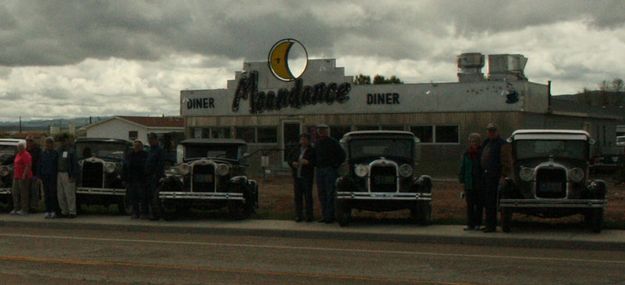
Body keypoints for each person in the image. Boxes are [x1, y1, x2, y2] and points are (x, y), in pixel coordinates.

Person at [480, 123, 512, 233]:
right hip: (486, 176)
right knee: (487, 201)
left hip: (495, 176)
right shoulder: (486, 143)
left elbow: (506, 162)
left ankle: (492, 226)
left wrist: (503, 176)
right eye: (489, 131)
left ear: (497, 131)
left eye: (493, 131)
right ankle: (488, 224)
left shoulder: (503, 144)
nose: (491, 133)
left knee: (493, 202)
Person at [312, 124, 346, 224]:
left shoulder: (333, 142)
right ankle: (324, 215)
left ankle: (330, 216)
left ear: (327, 131)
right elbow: (314, 156)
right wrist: (316, 164)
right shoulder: (317, 143)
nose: (321, 132)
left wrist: (334, 165)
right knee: (321, 193)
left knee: (330, 193)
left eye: (323, 130)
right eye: (319, 130)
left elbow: (342, 155)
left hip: (329, 170)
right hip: (319, 170)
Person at [459, 133, 483, 231]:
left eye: (475, 141)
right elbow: (463, 167)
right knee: (470, 205)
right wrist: (462, 179)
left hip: (479, 183)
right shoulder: (466, 154)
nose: (473, 143)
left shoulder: (482, 153)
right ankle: (470, 224)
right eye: (472, 141)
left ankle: (478, 223)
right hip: (469, 183)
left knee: (479, 205)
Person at [289, 133, 315, 222]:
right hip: (297, 176)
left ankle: (309, 215)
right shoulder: (296, 149)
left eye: (304, 139)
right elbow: (289, 159)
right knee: (298, 197)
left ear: (308, 141)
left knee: (308, 196)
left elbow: (315, 162)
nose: (302, 141)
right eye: (301, 139)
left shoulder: (311, 150)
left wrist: (307, 162)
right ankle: (298, 215)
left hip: (307, 176)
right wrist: (293, 163)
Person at [124, 140, 148, 219]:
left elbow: (145, 167)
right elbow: (126, 166)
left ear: (141, 147)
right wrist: (125, 178)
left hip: (141, 179)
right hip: (132, 179)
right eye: (135, 146)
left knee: (143, 197)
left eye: (138, 146)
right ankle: (135, 212)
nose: (136, 148)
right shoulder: (130, 155)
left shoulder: (145, 155)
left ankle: (144, 213)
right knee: (133, 197)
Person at [57, 134, 78, 218]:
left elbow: (74, 164)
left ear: (67, 140)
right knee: (60, 194)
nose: (62, 142)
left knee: (69, 194)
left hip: (68, 174)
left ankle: (72, 211)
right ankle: (64, 211)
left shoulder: (71, 151)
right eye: (61, 141)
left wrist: (73, 175)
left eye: (64, 140)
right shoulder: (58, 151)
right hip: (59, 173)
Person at [145, 133, 165, 220]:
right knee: (149, 195)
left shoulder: (159, 150)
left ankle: (156, 214)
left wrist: (156, 175)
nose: (150, 141)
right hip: (148, 176)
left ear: (156, 140)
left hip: (155, 177)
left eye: (151, 139)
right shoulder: (150, 150)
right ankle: (151, 213)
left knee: (155, 196)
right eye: (149, 140)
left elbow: (160, 164)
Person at [39, 137, 59, 219]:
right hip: (44, 176)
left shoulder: (55, 153)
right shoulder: (43, 153)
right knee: (46, 194)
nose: (48, 144)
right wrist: (39, 175)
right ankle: (47, 210)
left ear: (52, 144)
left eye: (50, 143)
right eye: (47, 143)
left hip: (53, 176)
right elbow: (39, 165)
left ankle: (54, 211)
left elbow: (57, 165)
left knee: (52, 194)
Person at [10, 141, 32, 215]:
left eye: (20, 147)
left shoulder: (26, 154)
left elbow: (28, 165)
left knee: (23, 193)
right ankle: (16, 208)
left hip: (23, 177)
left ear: (24, 147)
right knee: (15, 192)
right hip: (16, 176)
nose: (19, 148)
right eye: (18, 147)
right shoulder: (18, 154)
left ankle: (24, 209)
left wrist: (24, 175)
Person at [26, 136, 42, 212]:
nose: (29, 142)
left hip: (34, 174)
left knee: (34, 191)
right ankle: (27, 206)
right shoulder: (24, 150)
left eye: (30, 141)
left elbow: (40, 163)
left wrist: (38, 174)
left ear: (33, 142)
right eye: (27, 140)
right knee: (26, 191)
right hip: (26, 174)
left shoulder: (38, 151)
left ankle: (34, 207)